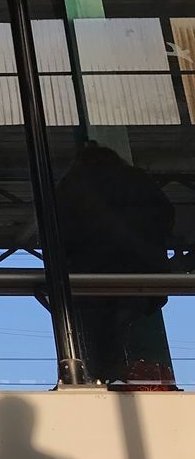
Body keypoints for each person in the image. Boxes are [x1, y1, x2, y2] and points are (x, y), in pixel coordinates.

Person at [57, 141, 175, 385]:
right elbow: (165, 215)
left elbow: (58, 230)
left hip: (92, 277)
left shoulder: (74, 184)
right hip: (143, 275)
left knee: (99, 338)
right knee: (124, 332)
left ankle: (99, 380)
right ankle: (134, 380)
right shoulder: (139, 181)